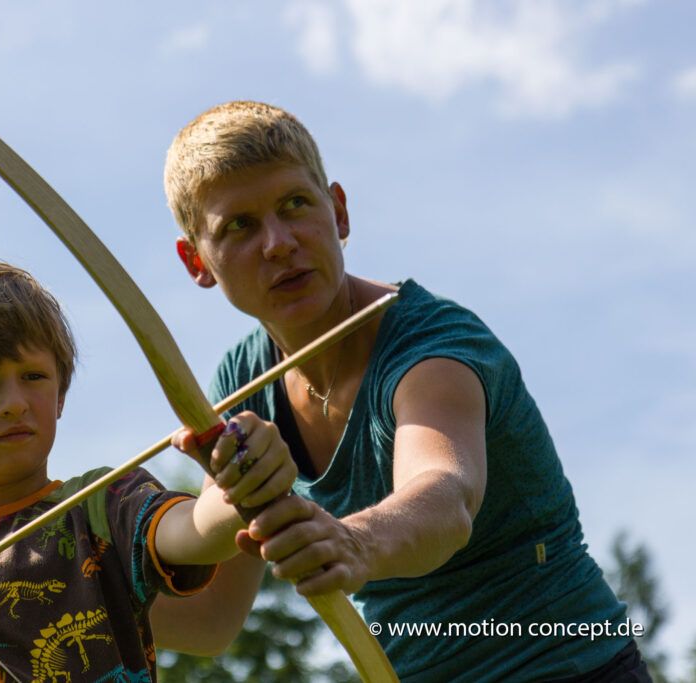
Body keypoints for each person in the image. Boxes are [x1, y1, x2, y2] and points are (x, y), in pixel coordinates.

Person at [151, 101, 651, 682]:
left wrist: (353, 541)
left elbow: (447, 494)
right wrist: (64, 610)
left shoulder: (431, 344)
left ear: (337, 211)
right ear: (196, 261)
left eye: (295, 205)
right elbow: (213, 621)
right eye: (239, 225)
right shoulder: (243, 385)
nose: (279, 242)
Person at [0, 258, 298, 682]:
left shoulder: (105, 502)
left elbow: (193, 531)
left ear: (61, 393)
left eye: (33, 377)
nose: (13, 404)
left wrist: (239, 484)